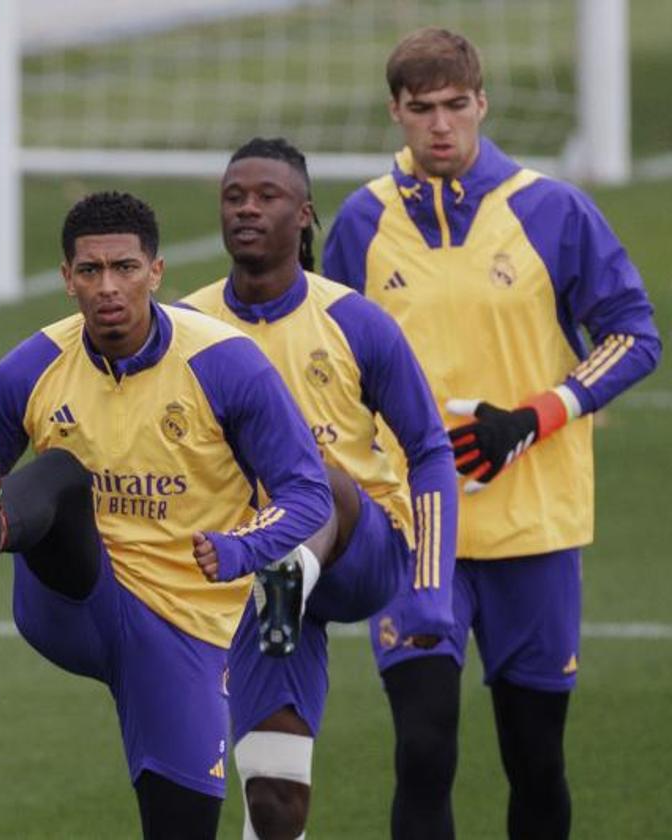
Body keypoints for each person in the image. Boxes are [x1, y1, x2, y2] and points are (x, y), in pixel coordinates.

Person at [0, 191, 335, 839]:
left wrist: (241, 550)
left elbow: (309, 494)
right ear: (67, 279)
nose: (108, 288)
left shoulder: (227, 365)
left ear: (156, 272)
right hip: (76, 598)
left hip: (184, 629)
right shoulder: (29, 369)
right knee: (60, 474)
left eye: (125, 269)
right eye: (90, 271)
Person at [322, 28, 662, 840]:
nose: (442, 126)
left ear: (483, 103)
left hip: (534, 527)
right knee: (423, 750)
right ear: (395, 113)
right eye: (422, 109)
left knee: (536, 757)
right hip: (416, 530)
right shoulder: (362, 223)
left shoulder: (553, 211)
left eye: (456, 106)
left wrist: (535, 416)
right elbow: (325, 357)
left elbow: (633, 335)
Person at [179, 137, 457, 840]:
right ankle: (281, 579)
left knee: (314, 480)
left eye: (266, 196)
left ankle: (290, 571)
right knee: (272, 801)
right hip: (255, 576)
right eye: (233, 196)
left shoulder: (354, 320)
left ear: (304, 215)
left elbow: (428, 451)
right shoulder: (186, 328)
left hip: (359, 551)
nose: (246, 208)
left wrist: (430, 586)